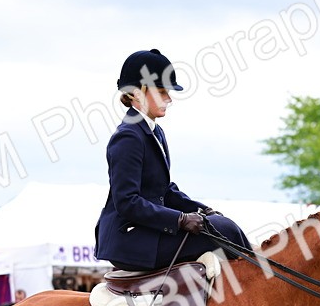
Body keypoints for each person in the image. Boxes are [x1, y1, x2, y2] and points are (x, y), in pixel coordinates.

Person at [94, 48, 251, 272]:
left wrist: (202, 210)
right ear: (137, 93)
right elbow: (127, 202)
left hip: (150, 231)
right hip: (130, 239)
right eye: (161, 91)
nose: (169, 99)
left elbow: (164, 191)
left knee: (223, 225)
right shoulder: (127, 136)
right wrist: (179, 220)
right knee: (223, 231)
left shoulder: (155, 132)